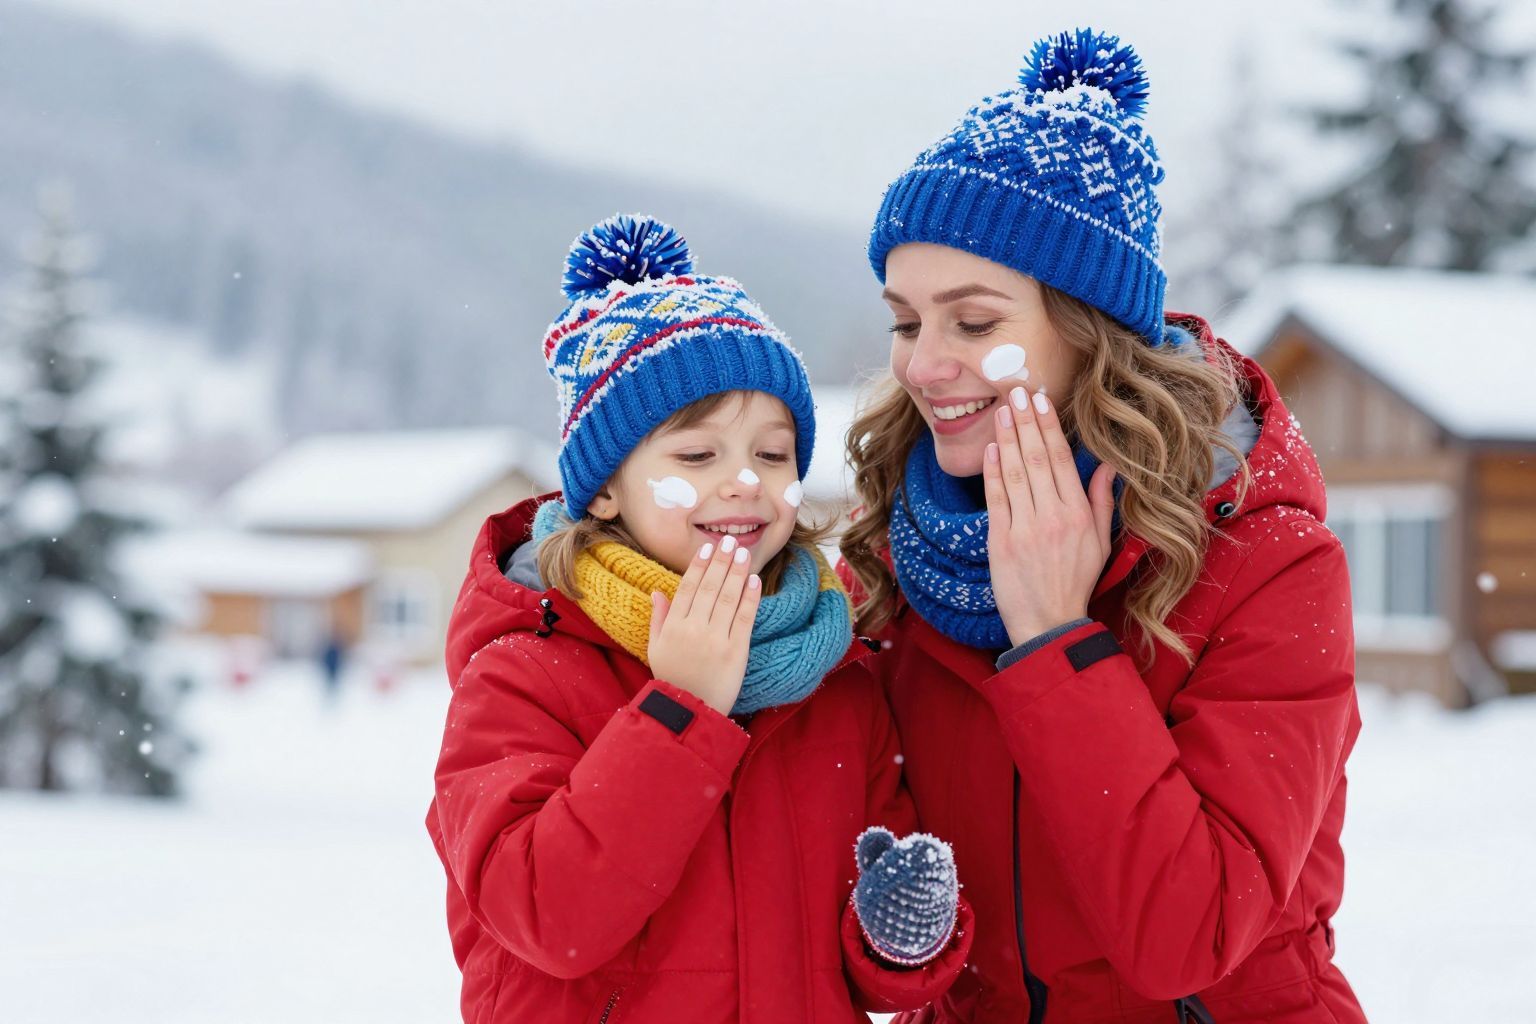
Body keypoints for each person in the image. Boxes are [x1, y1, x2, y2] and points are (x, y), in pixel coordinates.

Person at [837, 29, 1366, 1023]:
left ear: (1089, 333)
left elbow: (1188, 935)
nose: (922, 365)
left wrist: (1054, 642)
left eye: (974, 322)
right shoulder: (892, 557)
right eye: (906, 322)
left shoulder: (1266, 562)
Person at [426, 215, 972, 1023]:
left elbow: (874, 976)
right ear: (602, 490)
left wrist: (900, 936)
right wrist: (678, 711)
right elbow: (549, 918)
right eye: (696, 456)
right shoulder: (523, 673)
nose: (745, 481)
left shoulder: (836, 680)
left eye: (772, 454)